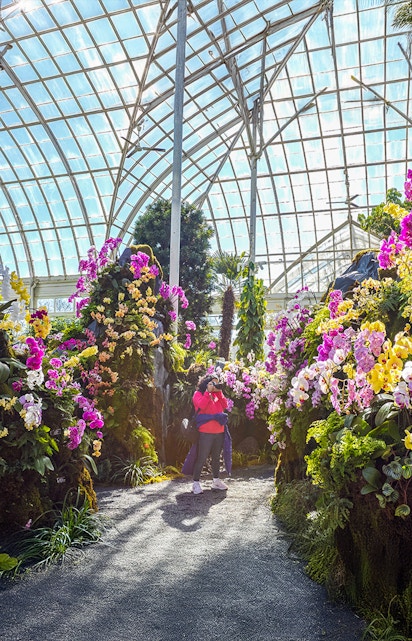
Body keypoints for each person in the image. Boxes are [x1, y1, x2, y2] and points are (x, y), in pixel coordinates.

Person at [191, 374, 229, 495]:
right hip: (205, 432)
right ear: (206, 383)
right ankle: (195, 483)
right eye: (212, 383)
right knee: (202, 457)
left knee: (217, 457)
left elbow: (225, 405)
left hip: (219, 431)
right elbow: (201, 405)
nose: (214, 386)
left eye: (216, 383)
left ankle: (216, 481)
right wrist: (207, 392)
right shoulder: (198, 394)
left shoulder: (216, 395)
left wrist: (219, 392)